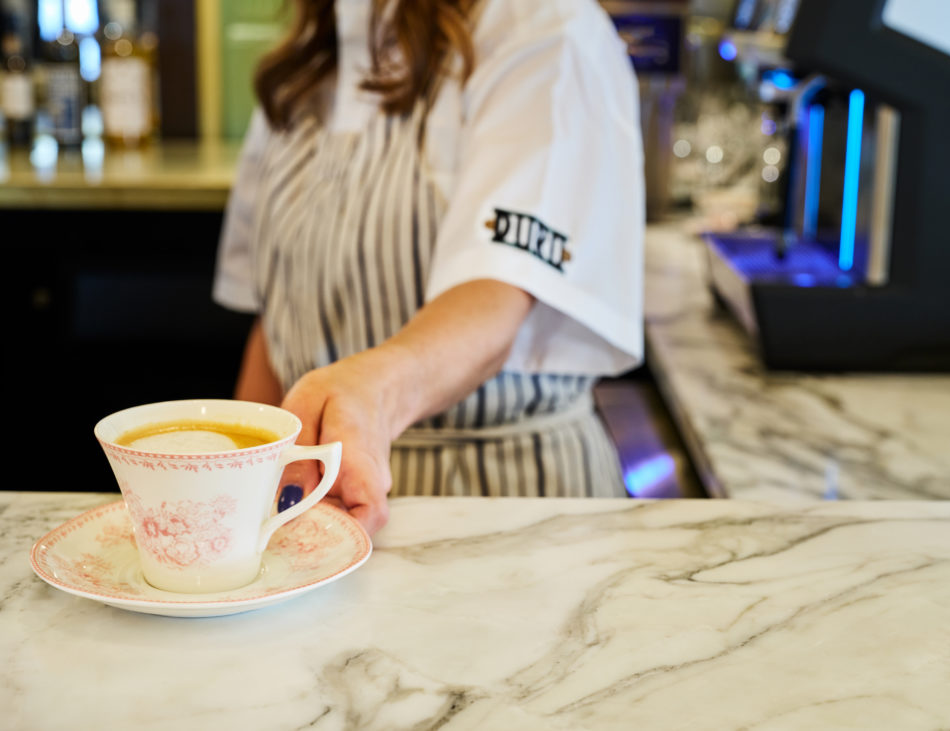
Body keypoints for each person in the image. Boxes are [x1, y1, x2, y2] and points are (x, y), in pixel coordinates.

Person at [212, 0, 646, 535]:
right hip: (317, 515)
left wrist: (370, 395)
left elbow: (494, 300)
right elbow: (279, 321)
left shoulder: (546, 29)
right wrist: (232, 493)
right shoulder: (306, 65)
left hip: (508, 507)